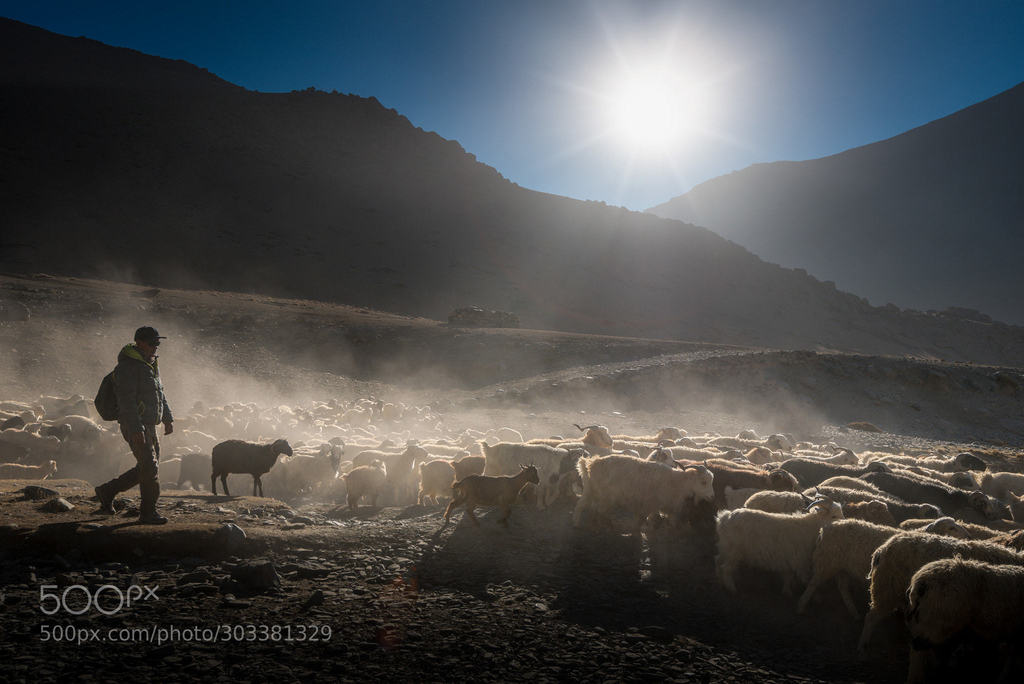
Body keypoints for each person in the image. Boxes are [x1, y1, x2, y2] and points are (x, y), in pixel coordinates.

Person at [94, 326, 174, 524]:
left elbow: (159, 393)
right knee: (150, 467)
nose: (156, 347)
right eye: (152, 343)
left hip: (149, 424)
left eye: (157, 343)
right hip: (135, 425)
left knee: (148, 467)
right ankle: (148, 513)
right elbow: (126, 401)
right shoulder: (127, 368)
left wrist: (167, 417)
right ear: (139, 343)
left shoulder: (150, 364)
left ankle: (107, 491)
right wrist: (136, 428)